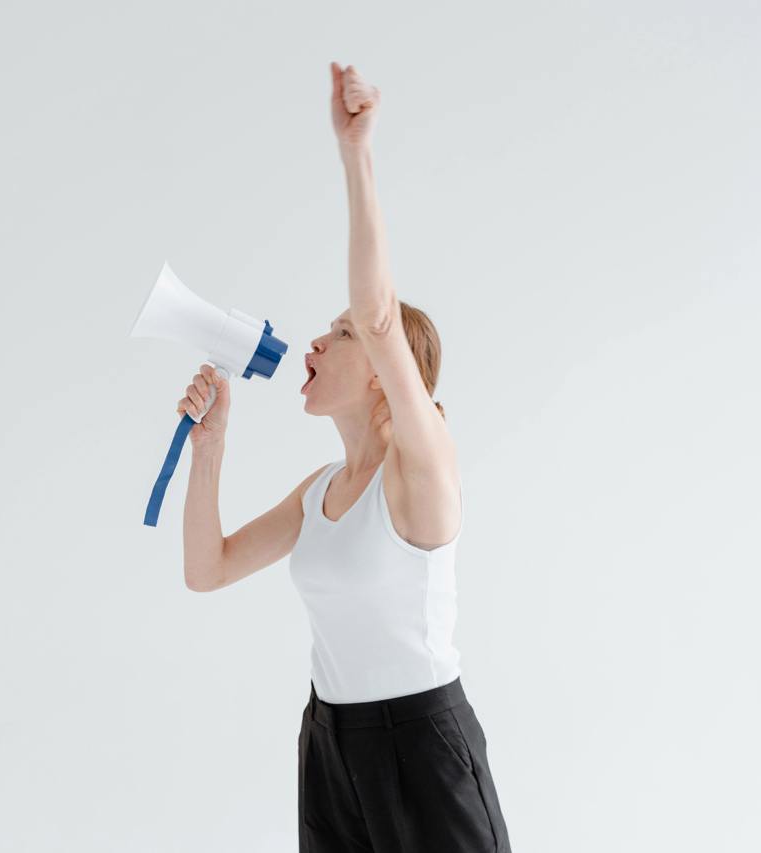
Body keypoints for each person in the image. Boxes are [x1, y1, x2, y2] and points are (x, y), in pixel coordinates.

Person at [178, 61, 512, 853]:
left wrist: (355, 154)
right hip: (330, 744)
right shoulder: (320, 490)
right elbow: (206, 569)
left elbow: (378, 309)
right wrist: (211, 446)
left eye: (344, 333)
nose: (319, 341)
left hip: (422, 748)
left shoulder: (422, 469)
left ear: (386, 374)